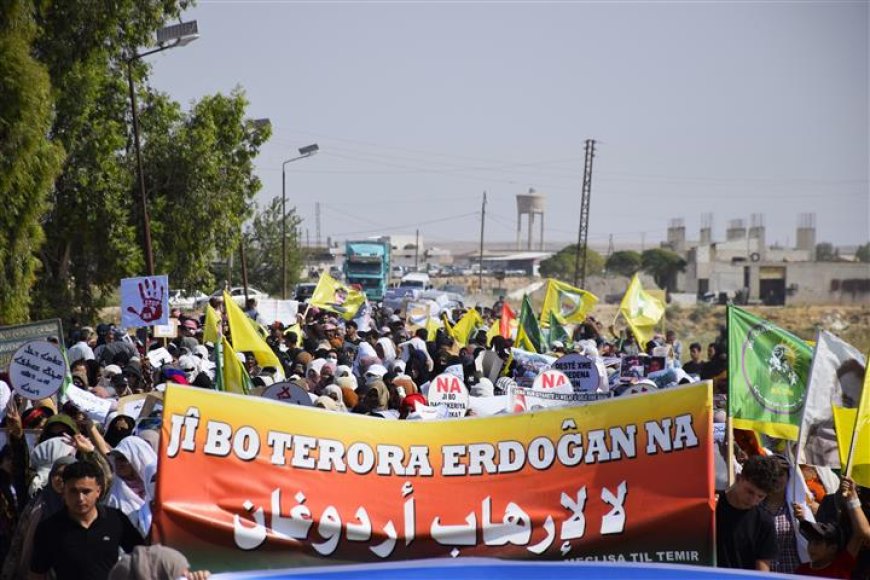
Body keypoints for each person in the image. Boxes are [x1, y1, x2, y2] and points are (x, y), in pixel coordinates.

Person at [30, 460, 144, 580]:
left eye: (86, 491)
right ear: (64, 492)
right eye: (73, 491)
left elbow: (141, 556)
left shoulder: (115, 519)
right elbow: (37, 573)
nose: (80, 499)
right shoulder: (49, 529)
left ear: (98, 491)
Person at [793, 476, 870, 578]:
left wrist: (852, 498)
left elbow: (861, 533)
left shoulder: (841, 565)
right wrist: (801, 518)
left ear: (833, 548)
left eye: (817, 543)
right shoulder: (801, 571)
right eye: (810, 542)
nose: (811, 547)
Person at [716, 454, 779, 570]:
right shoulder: (713, 506)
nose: (753, 500)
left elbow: (763, 568)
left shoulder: (764, 522)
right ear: (739, 478)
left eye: (760, 496)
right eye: (749, 492)